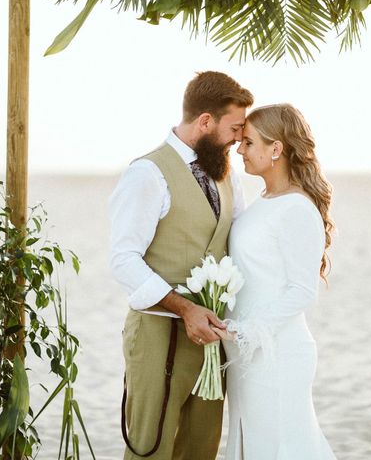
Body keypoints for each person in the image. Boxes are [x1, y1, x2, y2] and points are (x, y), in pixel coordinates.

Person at [109, 71, 253, 460]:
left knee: (199, 452)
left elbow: (239, 240)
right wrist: (185, 308)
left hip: (210, 345)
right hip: (158, 337)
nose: (240, 138)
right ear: (205, 122)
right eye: (235, 128)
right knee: (149, 451)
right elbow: (123, 260)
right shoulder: (147, 173)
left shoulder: (225, 173)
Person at [214, 103, 338, 459]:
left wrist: (246, 331)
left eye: (249, 143)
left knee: (281, 447)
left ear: (276, 149)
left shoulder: (297, 209)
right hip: (249, 353)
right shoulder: (265, 200)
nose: (239, 149)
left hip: (277, 354)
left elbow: (302, 291)